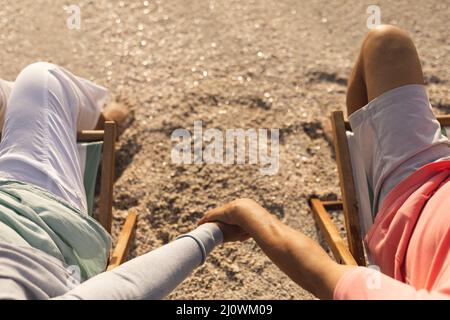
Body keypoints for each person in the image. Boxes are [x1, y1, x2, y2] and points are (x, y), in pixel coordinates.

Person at [201, 25, 450, 299]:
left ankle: (365, 153)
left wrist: (245, 213)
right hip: (435, 176)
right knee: (387, 42)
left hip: (414, 194)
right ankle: (365, 144)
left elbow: (319, 273)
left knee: (385, 43)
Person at [0, 61, 239, 299]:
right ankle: (90, 121)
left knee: (21, 93)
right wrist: (212, 234)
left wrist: (212, 235)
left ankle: (43, 116)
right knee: (41, 80)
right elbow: (127, 288)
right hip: (30, 226)